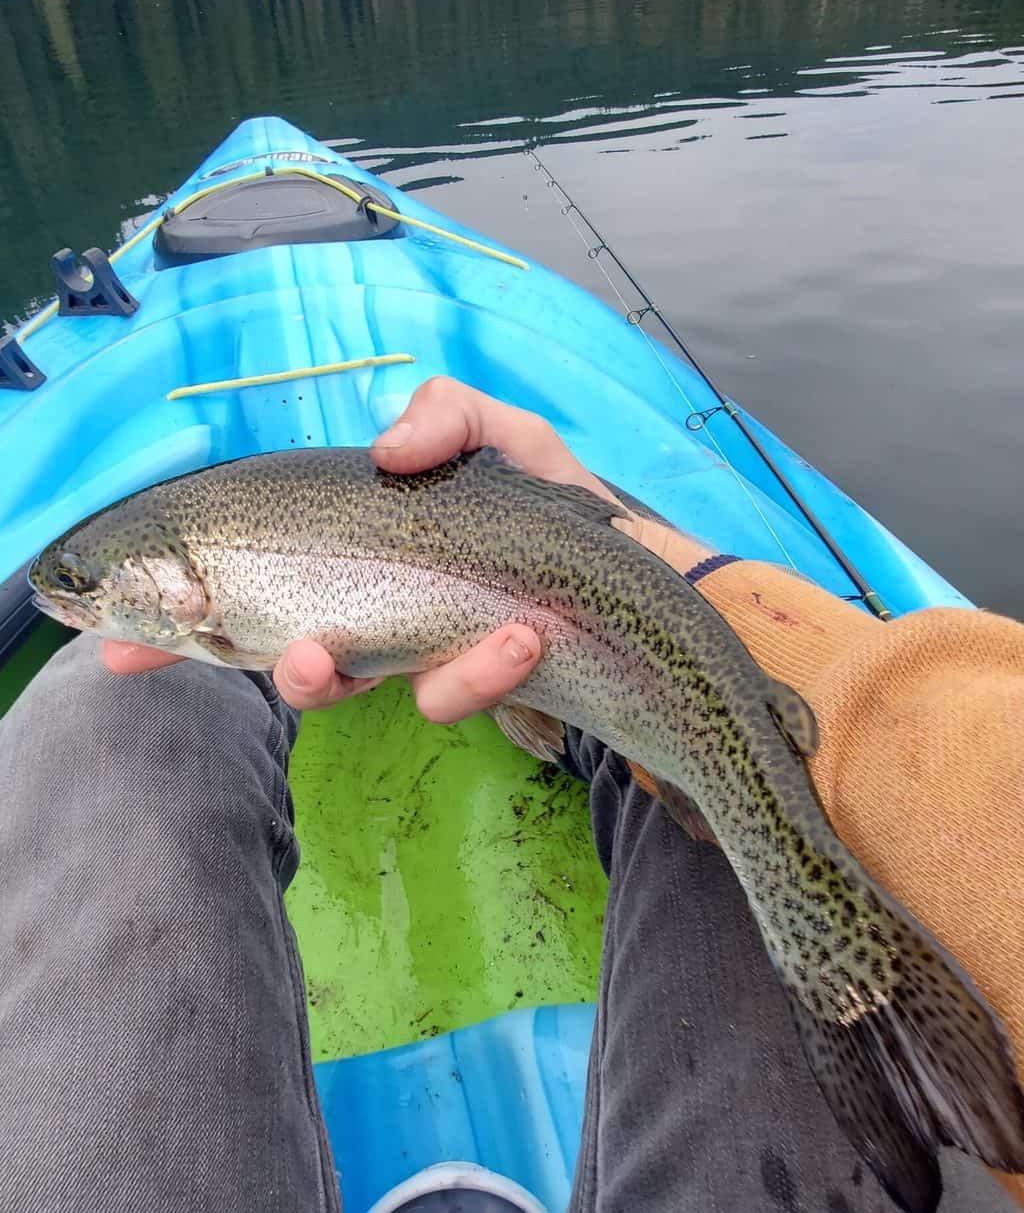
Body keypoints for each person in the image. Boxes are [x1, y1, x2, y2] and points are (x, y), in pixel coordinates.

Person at [0, 376, 1021, 1213]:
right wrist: (655, 553)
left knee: (111, 703)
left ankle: (575, 707)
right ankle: (582, 718)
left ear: (170, 581)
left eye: (86, 588)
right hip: (724, 675)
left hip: (666, 664)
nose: (72, 602)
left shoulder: (195, 617)